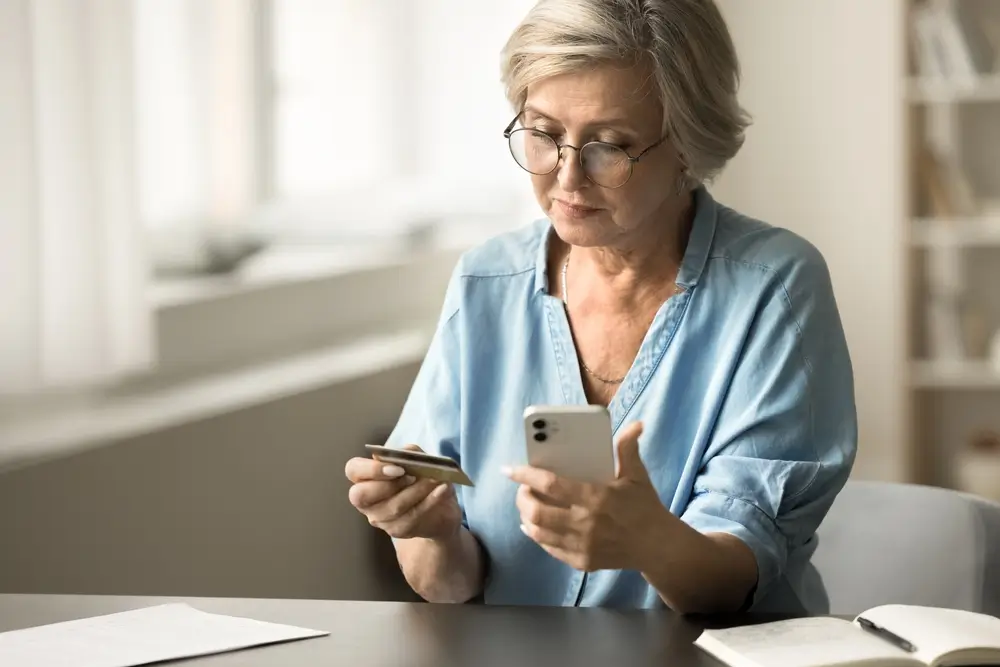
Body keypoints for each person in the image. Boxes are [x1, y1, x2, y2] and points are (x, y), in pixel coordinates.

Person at [345, 0, 857, 615]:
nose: (567, 178)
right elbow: (450, 584)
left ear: (689, 146)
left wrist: (650, 541)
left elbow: (737, 579)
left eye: (608, 146)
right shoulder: (486, 282)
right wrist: (428, 530)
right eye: (542, 134)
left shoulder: (773, 286)